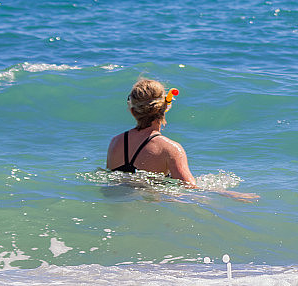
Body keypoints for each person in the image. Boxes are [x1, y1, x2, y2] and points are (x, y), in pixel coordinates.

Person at [106, 78, 258, 202]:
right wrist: (228, 194)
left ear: (132, 111)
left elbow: (114, 183)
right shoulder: (170, 149)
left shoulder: (115, 142)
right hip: (148, 210)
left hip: (115, 204)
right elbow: (190, 189)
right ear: (166, 107)